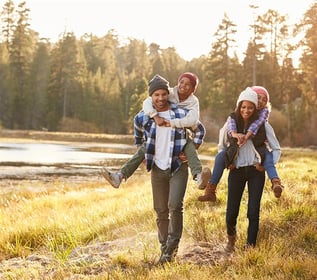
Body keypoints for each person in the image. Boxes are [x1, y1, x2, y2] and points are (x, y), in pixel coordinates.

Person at [133, 74, 201, 264]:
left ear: (168, 95)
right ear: (151, 97)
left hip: (178, 166)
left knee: (175, 205)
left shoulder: (179, 113)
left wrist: (192, 148)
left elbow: (199, 128)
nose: (161, 98)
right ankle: (164, 248)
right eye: (156, 95)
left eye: (164, 94)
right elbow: (136, 125)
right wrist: (141, 151)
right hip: (157, 167)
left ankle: (171, 248)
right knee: (161, 210)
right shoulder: (146, 115)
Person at [102, 72, 211, 189]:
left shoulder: (193, 102)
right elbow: (147, 102)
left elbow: (194, 121)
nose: (183, 85)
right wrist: (155, 116)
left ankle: (198, 177)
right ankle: (119, 176)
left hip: (181, 134)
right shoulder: (168, 93)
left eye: (188, 84)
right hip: (159, 136)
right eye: (181, 82)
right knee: (144, 148)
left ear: (193, 89)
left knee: (189, 146)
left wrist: (193, 144)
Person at [198, 86, 283, 202]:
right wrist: (229, 160)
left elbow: (259, 128)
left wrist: (248, 136)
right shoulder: (235, 117)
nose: (261, 101)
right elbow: (223, 138)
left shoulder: (263, 119)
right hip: (237, 162)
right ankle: (210, 189)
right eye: (259, 98)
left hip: (257, 157)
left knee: (268, 157)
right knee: (220, 156)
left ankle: (276, 182)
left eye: (265, 100)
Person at [224, 88, 267, 252]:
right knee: (231, 211)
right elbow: (222, 146)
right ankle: (231, 239)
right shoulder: (231, 124)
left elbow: (275, 148)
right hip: (237, 171)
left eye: (250, 107)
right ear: (238, 106)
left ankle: (250, 246)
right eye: (243, 107)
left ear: (255, 108)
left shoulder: (262, 125)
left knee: (253, 211)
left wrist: (263, 163)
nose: (246, 110)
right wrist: (229, 162)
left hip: (256, 172)